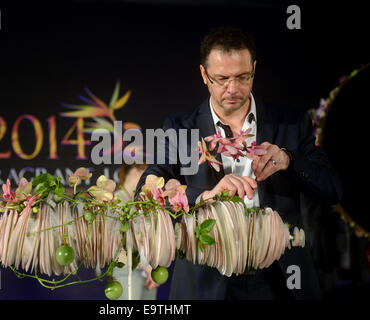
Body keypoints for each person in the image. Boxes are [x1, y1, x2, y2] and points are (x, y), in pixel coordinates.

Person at [134, 26, 342, 300]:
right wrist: (206, 195)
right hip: (207, 280)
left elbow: (333, 190)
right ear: (203, 75)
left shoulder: (291, 123)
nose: (233, 89)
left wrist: (289, 160)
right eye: (221, 79)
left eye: (243, 77)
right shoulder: (179, 129)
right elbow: (146, 192)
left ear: (254, 69)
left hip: (280, 280)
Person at [112, 163, 160, 300]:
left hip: (148, 274)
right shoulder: (116, 201)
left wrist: (152, 267)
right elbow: (121, 244)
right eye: (146, 175)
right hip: (127, 272)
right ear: (134, 171)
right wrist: (148, 267)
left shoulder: (140, 202)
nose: (149, 182)